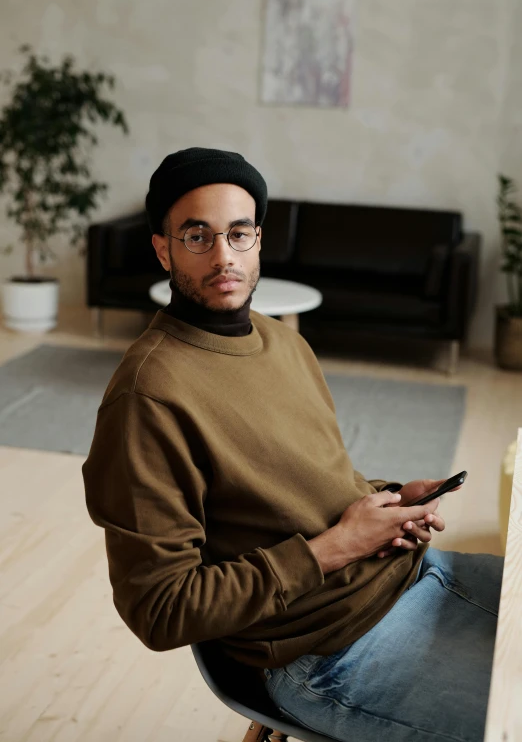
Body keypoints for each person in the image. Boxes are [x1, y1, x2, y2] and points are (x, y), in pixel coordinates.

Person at [82, 147, 503, 742]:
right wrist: (336, 547)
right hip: (323, 656)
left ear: (259, 239)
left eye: (238, 233)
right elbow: (161, 609)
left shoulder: (283, 342)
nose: (223, 256)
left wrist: (385, 500)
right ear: (162, 248)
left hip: (412, 576)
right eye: (197, 236)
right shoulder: (148, 397)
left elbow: (303, 480)